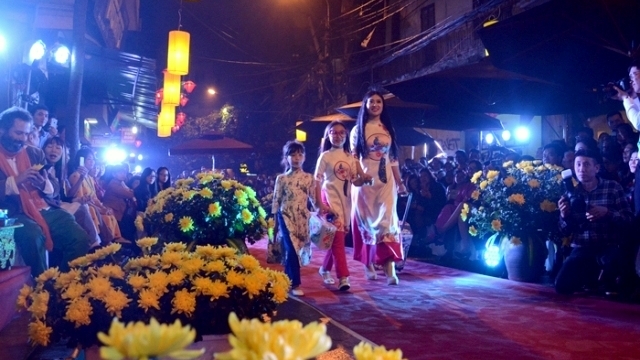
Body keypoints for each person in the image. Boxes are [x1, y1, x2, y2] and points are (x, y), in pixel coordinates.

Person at [0, 107, 88, 276]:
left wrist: (43, 184)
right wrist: (18, 180)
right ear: (2, 130)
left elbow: (54, 188)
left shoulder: (34, 152)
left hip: (42, 206)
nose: (23, 139)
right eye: (18, 133)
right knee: (32, 236)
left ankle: (63, 283)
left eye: (26, 134)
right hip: (11, 211)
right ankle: (43, 285)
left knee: (79, 238)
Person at [556, 149, 633, 295]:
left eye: (586, 164)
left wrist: (607, 213)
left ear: (596, 168)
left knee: (614, 271)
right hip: (582, 247)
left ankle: (603, 279)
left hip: (609, 245)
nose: (581, 169)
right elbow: (563, 231)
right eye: (578, 164)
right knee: (561, 287)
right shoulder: (570, 193)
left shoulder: (612, 188)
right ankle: (592, 278)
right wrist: (564, 216)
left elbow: (629, 221)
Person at [350, 90, 405, 285]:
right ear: (365, 105)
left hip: (386, 183)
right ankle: (368, 264)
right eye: (371, 101)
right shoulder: (358, 129)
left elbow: (393, 158)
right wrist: (360, 174)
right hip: (365, 185)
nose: (375, 104)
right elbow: (354, 156)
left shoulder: (388, 129)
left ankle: (390, 268)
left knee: (387, 223)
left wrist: (399, 182)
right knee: (367, 226)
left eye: (378, 101)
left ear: (383, 105)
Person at [314, 121, 366, 291]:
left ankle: (324, 269)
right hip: (329, 199)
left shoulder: (350, 157)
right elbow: (317, 181)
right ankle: (343, 277)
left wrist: (364, 179)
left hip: (345, 202)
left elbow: (354, 181)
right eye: (333, 132)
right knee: (338, 240)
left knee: (337, 238)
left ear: (346, 134)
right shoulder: (325, 156)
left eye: (341, 132)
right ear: (328, 135)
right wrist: (320, 204)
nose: (338, 136)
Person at [271, 140, 319, 296]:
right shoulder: (282, 179)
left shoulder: (309, 178)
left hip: (302, 219)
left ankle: (285, 279)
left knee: (297, 249)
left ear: (304, 157)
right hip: (285, 217)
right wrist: (275, 224)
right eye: (293, 154)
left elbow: (314, 201)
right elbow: (276, 201)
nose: (296, 158)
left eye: (300, 154)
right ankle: (296, 283)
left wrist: (325, 210)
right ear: (287, 157)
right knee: (292, 249)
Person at [68, 148, 124, 243]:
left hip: (93, 205)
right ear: (81, 160)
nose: (92, 162)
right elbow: (81, 199)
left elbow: (94, 198)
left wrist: (103, 207)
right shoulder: (76, 176)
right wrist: (100, 209)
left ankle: (115, 240)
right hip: (85, 206)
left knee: (109, 214)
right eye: (89, 159)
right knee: (96, 212)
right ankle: (101, 242)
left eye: (93, 159)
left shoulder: (90, 177)